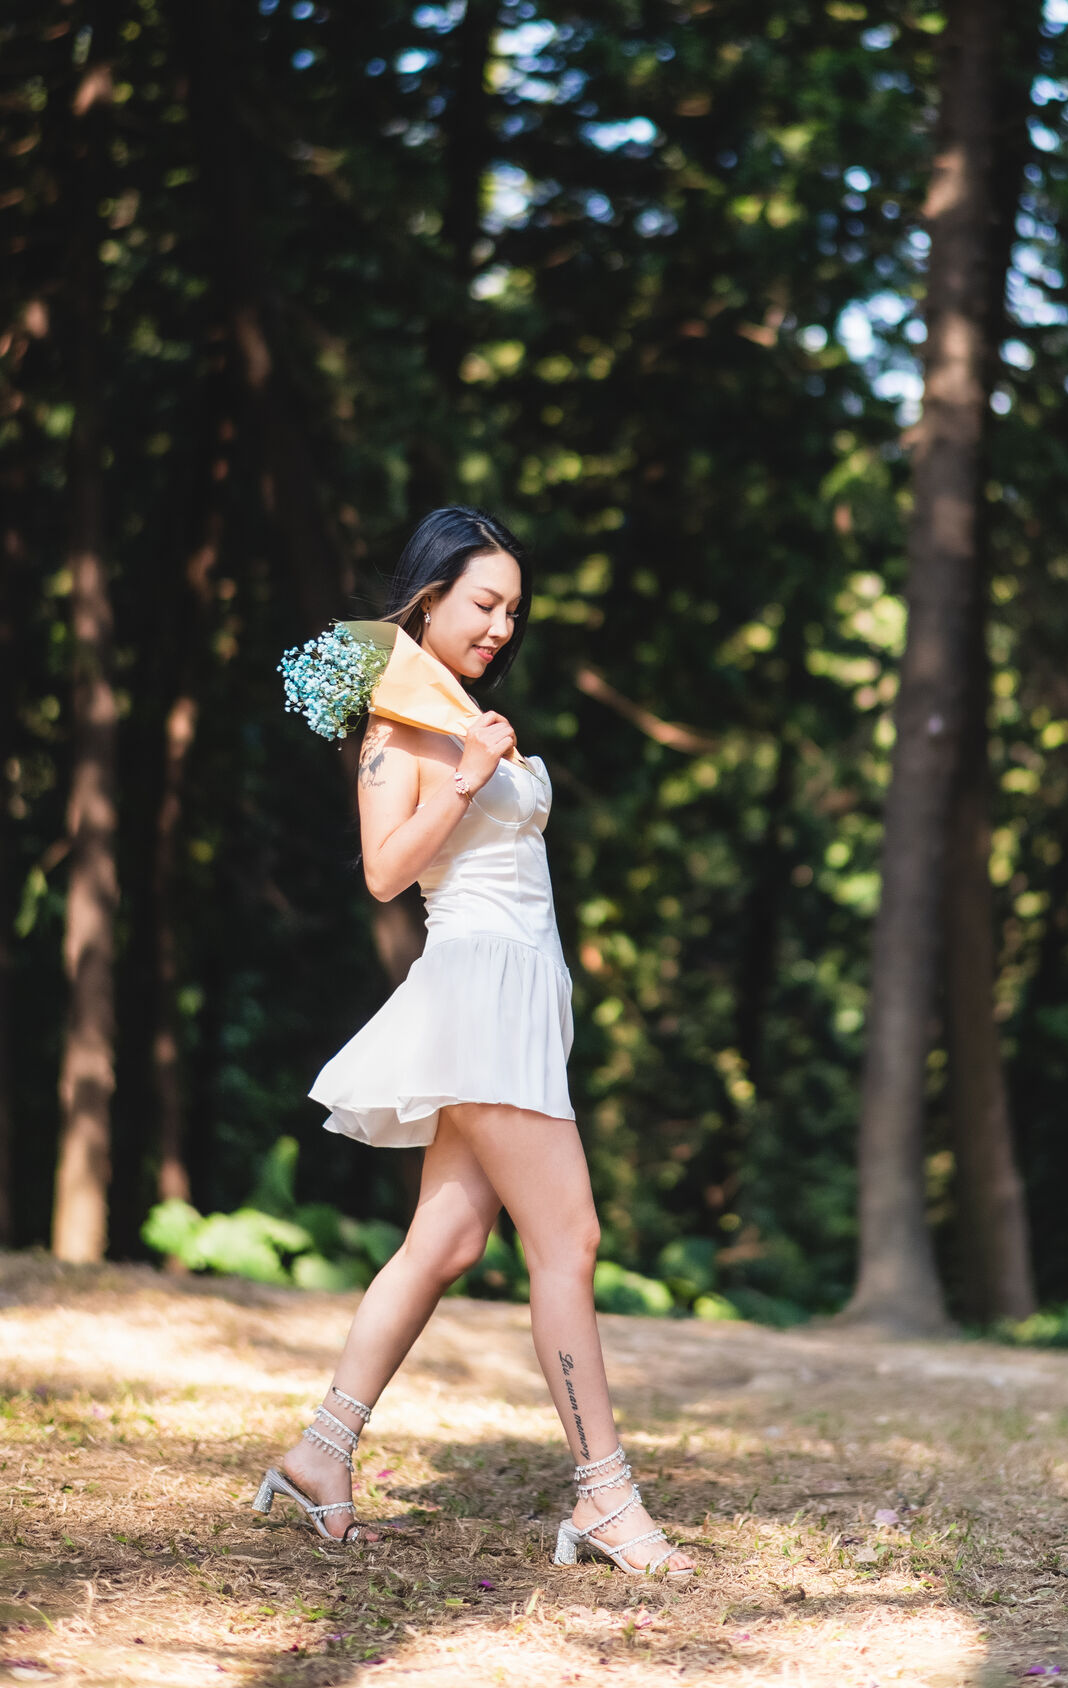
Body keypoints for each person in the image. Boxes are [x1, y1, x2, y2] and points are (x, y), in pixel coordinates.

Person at [253, 506, 695, 1581]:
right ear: (430, 597)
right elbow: (383, 873)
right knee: (569, 1241)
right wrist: (465, 772)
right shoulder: (398, 727)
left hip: (522, 993)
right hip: (478, 990)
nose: (501, 626)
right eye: (484, 603)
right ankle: (604, 1495)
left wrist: (482, 749)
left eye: (513, 611)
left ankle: (320, 1452)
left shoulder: (456, 707)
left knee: (444, 1245)